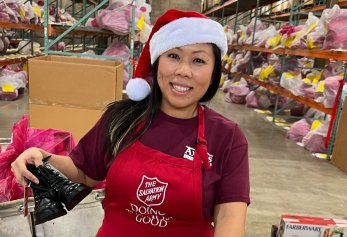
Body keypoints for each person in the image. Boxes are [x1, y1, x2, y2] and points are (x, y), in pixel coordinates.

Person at [11, 9, 250, 237]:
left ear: (213, 72)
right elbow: (85, 174)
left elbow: (229, 218)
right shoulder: (122, 120)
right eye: (173, 56)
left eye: (198, 60)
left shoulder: (227, 137)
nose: (184, 71)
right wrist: (42, 156)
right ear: (157, 63)